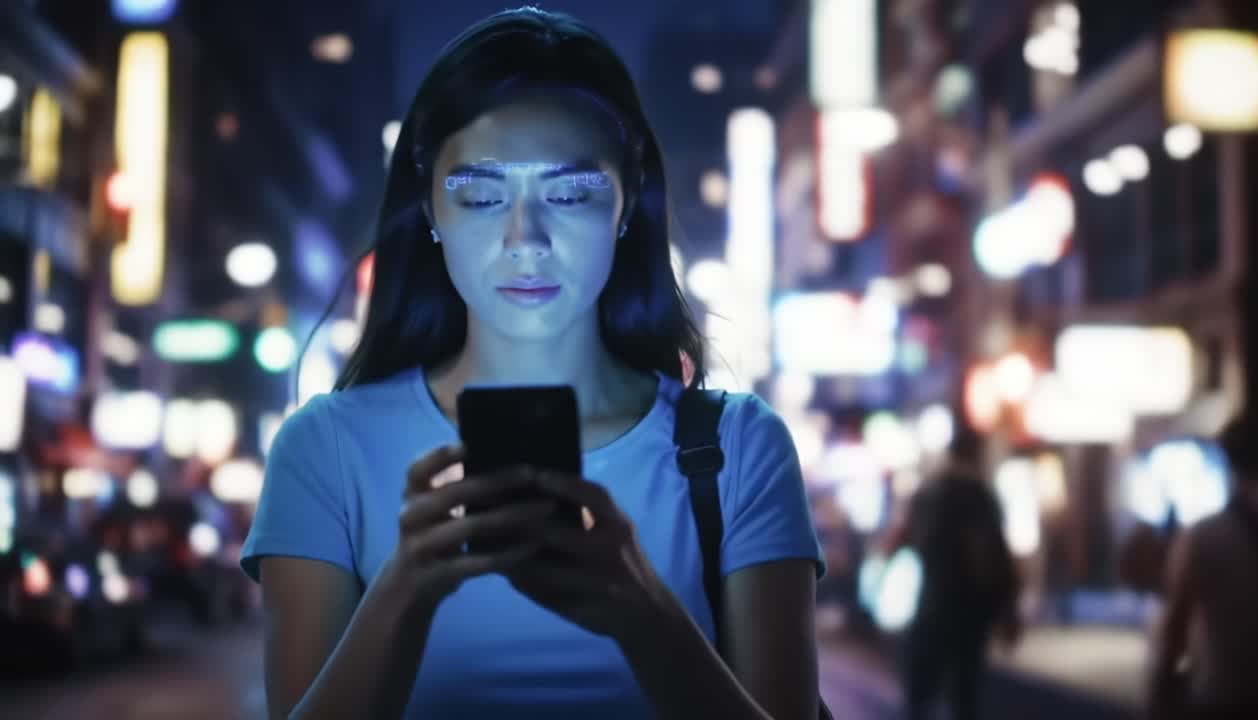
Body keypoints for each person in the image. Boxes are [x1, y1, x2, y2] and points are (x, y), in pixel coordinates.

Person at [239, 8, 827, 720]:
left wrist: (642, 613)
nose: (526, 238)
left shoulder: (736, 449)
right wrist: (404, 590)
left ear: (626, 203)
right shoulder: (325, 448)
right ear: (429, 205)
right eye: (481, 195)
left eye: (571, 193)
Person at [1146, 414, 1258, 720]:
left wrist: (1161, 693)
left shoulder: (1206, 535)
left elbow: (1175, 630)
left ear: (1228, 460)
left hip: (1223, 696)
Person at [884, 465, 1022, 720]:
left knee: (921, 696)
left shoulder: (927, 496)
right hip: (970, 612)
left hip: (932, 608)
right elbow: (996, 557)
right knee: (963, 696)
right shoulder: (980, 497)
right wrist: (1008, 611)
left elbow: (895, 543)